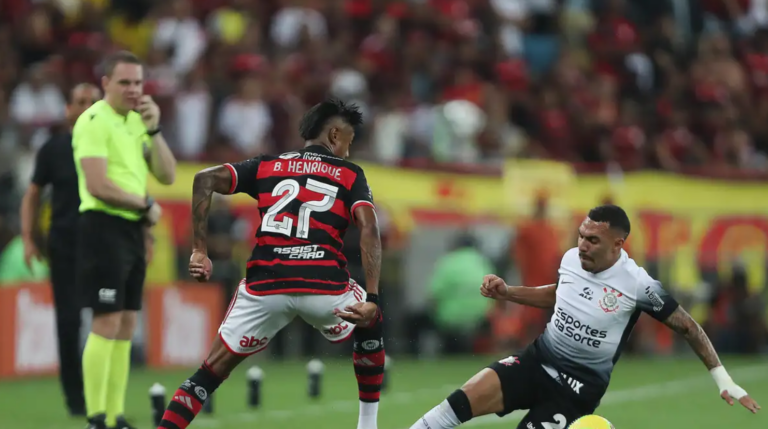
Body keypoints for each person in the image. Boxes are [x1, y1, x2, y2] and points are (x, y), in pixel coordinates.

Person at [408, 205, 761, 429]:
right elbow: (559, 294)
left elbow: (687, 326)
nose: (582, 245)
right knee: (455, 405)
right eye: (581, 236)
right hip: (535, 362)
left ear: (618, 244)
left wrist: (722, 378)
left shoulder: (638, 284)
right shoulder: (571, 259)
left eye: (592, 240)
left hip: (574, 392)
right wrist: (509, 292)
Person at [156, 99, 385, 429]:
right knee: (371, 319)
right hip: (324, 286)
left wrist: (198, 250)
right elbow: (369, 227)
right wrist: (373, 300)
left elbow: (204, 179)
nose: (348, 151)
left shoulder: (267, 165)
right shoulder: (350, 174)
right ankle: (368, 425)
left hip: (266, 285)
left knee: (209, 373)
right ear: (335, 134)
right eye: (349, 140)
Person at [74, 50, 177, 429]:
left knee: (126, 324)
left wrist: (154, 129)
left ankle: (115, 415)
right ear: (106, 84)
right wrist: (145, 203)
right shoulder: (93, 121)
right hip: (103, 226)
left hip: (132, 230)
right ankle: (95, 417)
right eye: (125, 82)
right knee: (106, 321)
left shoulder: (136, 122)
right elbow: (98, 185)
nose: (134, 89)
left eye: (138, 82)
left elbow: (167, 174)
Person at [19, 82, 101, 416]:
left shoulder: (112, 145)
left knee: (106, 321)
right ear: (67, 110)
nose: (84, 107)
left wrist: (143, 237)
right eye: (79, 101)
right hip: (65, 245)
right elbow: (33, 194)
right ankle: (76, 400)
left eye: (91, 102)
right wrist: (28, 236)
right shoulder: (53, 148)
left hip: (103, 243)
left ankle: (104, 396)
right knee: (68, 323)